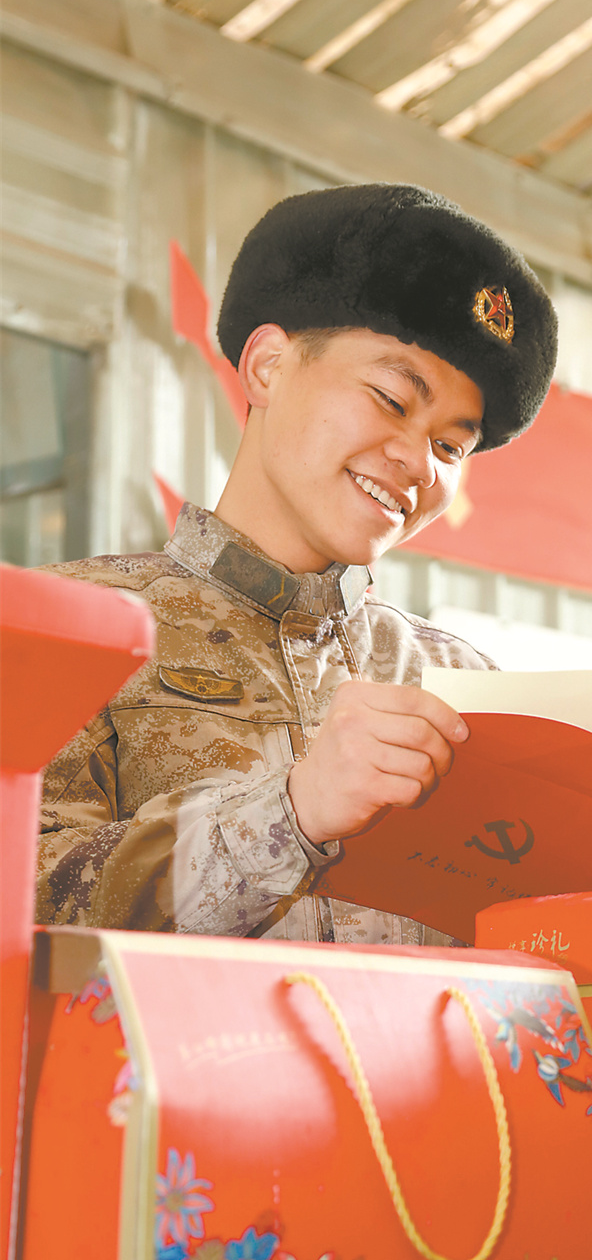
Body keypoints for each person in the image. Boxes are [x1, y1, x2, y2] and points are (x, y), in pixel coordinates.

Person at [35, 184, 556, 943]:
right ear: (268, 366)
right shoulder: (65, 630)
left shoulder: (467, 685)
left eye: (451, 446)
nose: (419, 463)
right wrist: (291, 814)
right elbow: (24, 901)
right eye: (391, 399)